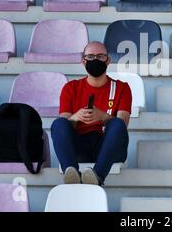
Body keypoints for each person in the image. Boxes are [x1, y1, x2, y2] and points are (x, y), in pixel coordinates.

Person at [51, 41, 131, 185]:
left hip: (108, 145)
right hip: (81, 145)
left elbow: (122, 124)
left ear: (108, 61)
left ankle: (98, 176)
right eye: (91, 56)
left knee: (117, 124)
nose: (95, 60)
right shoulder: (70, 88)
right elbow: (64, 126)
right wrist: (75, 118)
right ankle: (71, 173)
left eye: (100, 56)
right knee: (58, 123)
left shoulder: (121, 88)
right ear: (83, 61)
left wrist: (103, 117)